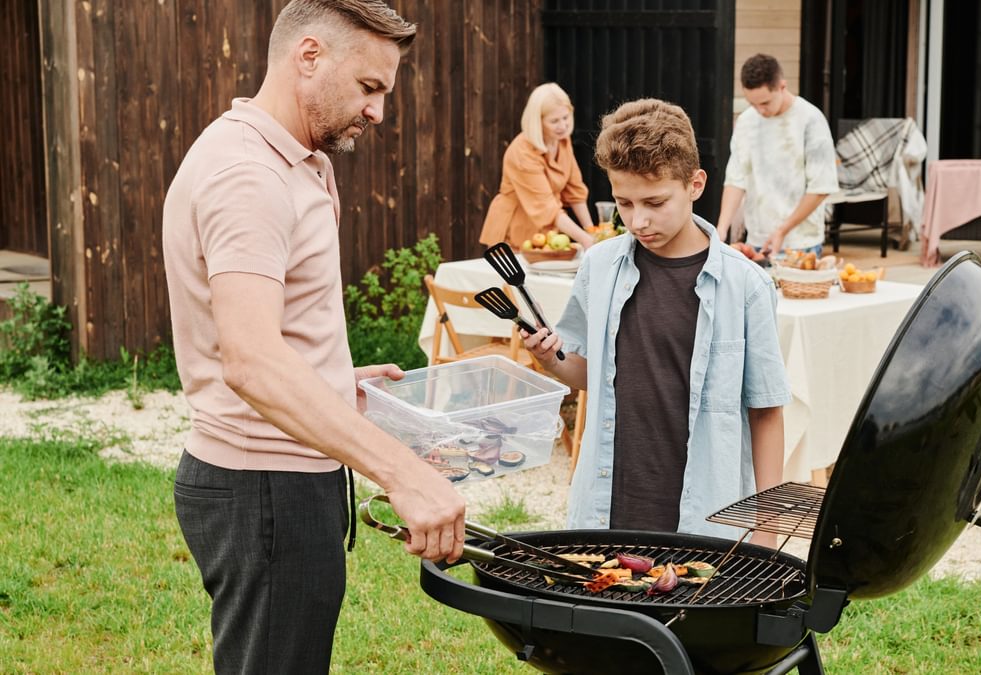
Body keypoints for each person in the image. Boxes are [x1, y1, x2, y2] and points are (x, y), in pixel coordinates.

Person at [161, 1, 465, 672]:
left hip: (281, 478)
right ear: (308, 57)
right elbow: (250, 360)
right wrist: (400, 470)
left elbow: (260, 337)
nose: (379, 111)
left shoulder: (294, 159)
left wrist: (332, 380)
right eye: (369, 87)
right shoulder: (250, 174)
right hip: (264, 487)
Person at [521, 99, 791, 546]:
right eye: (623, 203)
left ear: (695, 184)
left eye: (655, 202)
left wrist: (767, 526)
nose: (638, 220)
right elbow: (595, 374)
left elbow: (766, 411)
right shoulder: (600, 266)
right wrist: (552, 360)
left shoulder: (748, 285)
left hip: (707, 514)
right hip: (610, 505)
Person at [716, 53, 840, 257]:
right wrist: (722, 228)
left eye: (765, 103)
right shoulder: (747, 121)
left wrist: (783, 230)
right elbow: (736, 179)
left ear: (782, 87)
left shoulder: (811, 120)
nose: (759, 110)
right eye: (752, 104)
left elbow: (821, 187)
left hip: (800, 243)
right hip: (755, 241)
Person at [479, 83, 596, 249]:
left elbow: (575, 190)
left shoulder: (562, 141)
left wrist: (591, 231)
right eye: (554, 121)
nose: (563, 126)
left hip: (546, 233)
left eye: (565, 117)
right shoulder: (522, 152)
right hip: (514, 235)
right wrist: (586, 240)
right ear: (537, 121)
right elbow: (545, 206)